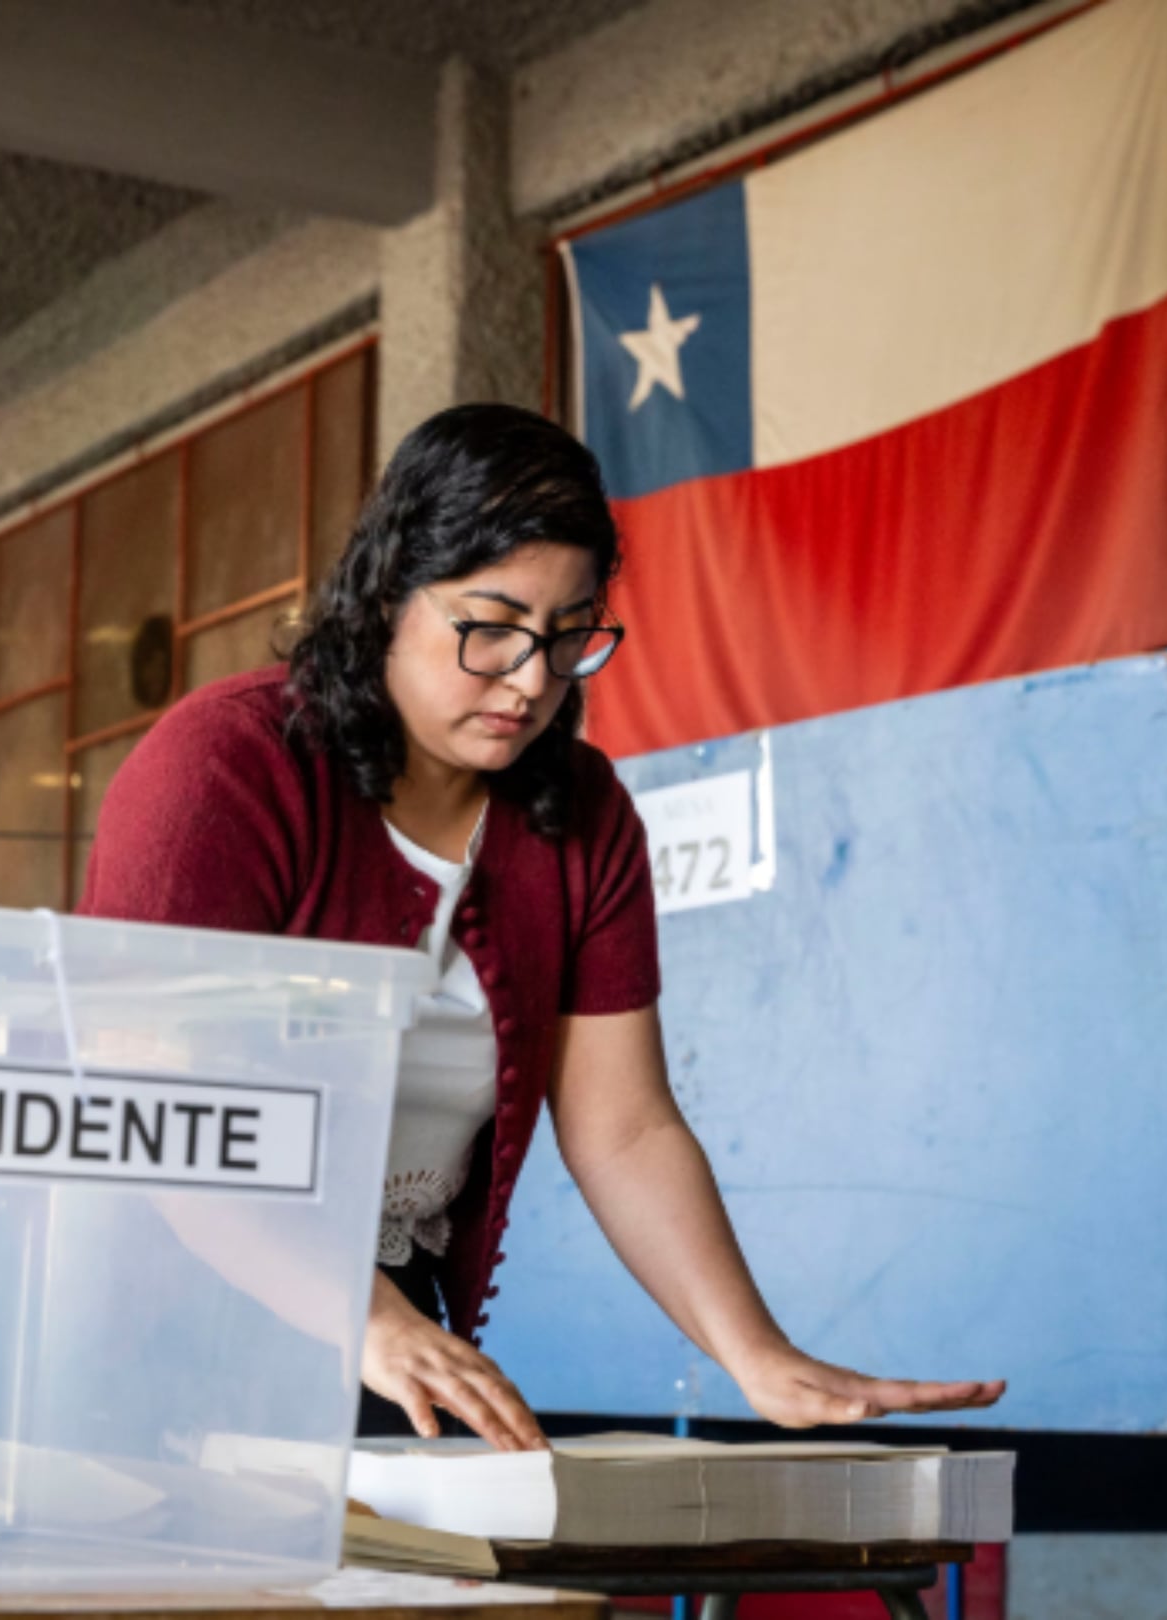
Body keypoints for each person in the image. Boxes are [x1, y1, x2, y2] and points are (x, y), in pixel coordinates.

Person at [79, 403, 1004, 1448]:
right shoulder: (223, 770)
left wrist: (754, 1351)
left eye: (569, 637)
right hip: (146, 1314)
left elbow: (626, 1128)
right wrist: (369, 1320)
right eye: (491, 627)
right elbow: (148, 1099)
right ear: (389, 589)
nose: (531, 680)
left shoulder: (582, 816)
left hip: (380, 1317)